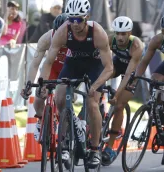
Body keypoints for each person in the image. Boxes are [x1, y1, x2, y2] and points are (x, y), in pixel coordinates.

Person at [38, 0, 113, 168]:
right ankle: (64, 143)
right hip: (73, 63)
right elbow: (48, 61)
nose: (74, 24)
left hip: (95, 65)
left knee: (92, 103)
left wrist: (95, 87)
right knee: (60, 98)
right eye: (71, 19)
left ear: (87, 18)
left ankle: (95, 149)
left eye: (78, 20)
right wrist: (43, 83)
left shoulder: (98, 32)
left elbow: (109, 68)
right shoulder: (64, 30)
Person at [101, 16, 144, 165]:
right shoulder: (109, 39)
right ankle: (97, 110)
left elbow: (127, 76)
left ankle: (110, 147)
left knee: (118, 105)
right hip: (118, 64)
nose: (119, 37)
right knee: (98, 79)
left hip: (133, 72)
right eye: (118, 33)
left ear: (129, 33)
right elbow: (101, 61)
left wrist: (117, 94)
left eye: (123, 34)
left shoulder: (136, 46)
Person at [21, 13, 68, 141]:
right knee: (38, 99)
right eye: (57, 33)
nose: (60, 37)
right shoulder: (46, 38)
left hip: (69, 71)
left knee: (60, 100)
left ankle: (64, 138)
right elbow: (35, 64)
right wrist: (29, 84)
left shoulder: (75, 38)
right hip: (52, 68)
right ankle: (42, 120)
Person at [133, 16, 164, 91]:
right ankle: (157, 101)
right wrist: (135, 80)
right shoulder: (156, 41)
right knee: (155, 80)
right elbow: (144, 62)